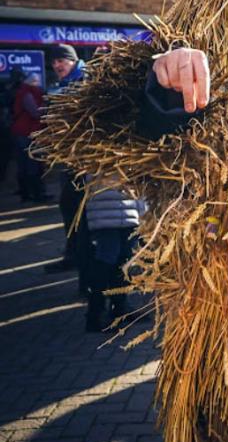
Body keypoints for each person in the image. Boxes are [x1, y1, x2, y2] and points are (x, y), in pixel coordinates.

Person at [44, 45, 89, 275]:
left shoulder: (85, 78)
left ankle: (82, 262)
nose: (56, 66)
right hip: (70, 157)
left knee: (79, 208)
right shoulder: (66, 83)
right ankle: (76, 256)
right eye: (53, 63)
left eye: (61, 60)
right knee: (70, 206)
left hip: (85, 160)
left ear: (72, 60)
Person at [83, 177, 145, 332]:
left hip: (129, 213)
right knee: (105, 262)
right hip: (108, 214)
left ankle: (120, 308)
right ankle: (95, 314)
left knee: (123, 262)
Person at [10, 71, 47, 201]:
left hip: (23, 132)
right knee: (32, 163)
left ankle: (27, 194)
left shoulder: (23, 92)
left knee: (25, 164)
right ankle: (35, 194)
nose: (38, 84)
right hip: (27, 133)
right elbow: (36, 113)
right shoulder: (28, 93)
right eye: (36, 82)